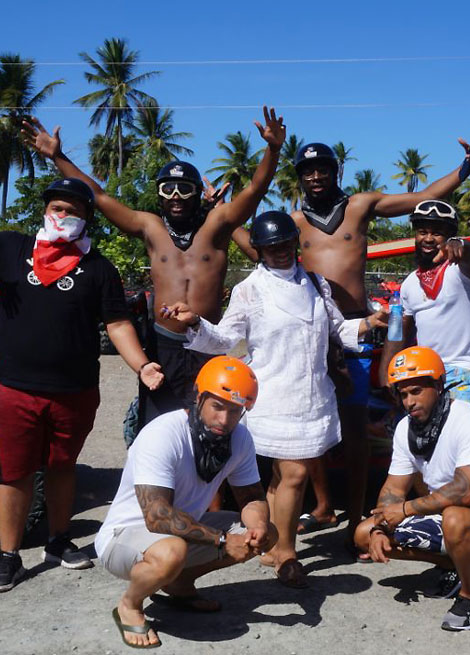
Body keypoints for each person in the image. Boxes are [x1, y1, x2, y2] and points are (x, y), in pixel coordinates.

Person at [236, 135, 470, 553]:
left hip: (357, 331)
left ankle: (355, 523)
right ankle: (314, 512)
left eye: (323, 168)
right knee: (304, 433)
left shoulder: (360, 205)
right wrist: (222, 216)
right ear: (299, 178)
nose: (316, 176)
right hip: (315, 334)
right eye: (308, 171)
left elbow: (421, 197)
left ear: (337, 171)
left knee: (354, 436)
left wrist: (465, 170)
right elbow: (254, 243)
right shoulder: (293, 224)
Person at [162, 211, 388, 587]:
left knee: (283, 476)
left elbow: (336, 328)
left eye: (285, 244)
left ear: (295, 243)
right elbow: (226, 340)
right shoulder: (250, 290)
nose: (279, 251)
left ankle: (268, 544)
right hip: (275, 398)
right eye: (270, 247)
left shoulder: (316, 283)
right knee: (295, 474)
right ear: (259, 250)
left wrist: (366, 324)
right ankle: (286, 552)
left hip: (312, 397)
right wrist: (195, 323)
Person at [22, 107, 285, 430]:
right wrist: (58, 156)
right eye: (167, 189)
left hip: (207, 342)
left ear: (196, 194)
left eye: (184, 189)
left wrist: (273, 150)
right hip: (164, 344)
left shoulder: (217, 225)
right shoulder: (151, 227)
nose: (176, 197)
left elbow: (255, 190)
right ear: (158, 195)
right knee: (158, 428)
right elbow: (99, 196)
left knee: (212, 428)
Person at [0, 178, 164, 593]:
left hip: (75, 390)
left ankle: (58, 541)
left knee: (62, 466)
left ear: (87, 219)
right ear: (44, 211)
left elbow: (118, 323)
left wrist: (142, 365)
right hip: (15, 386)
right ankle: (8, 555)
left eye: (73, 211)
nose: (63, 216)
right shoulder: (11, 249)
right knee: (14, 471)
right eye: (57, 208)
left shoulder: (99, 269)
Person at [95, 356, 276, 648]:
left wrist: (257, 528)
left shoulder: (240, 438)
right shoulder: (163, 433)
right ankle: (129, 605)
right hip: (123, 536)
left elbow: (252, 496)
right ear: (198, 396)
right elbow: (157, 516)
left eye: (235, 411)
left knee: (267, 533)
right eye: (217, 406)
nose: (225, 420)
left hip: (178, 532)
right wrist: (222, 540)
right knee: (172, 553)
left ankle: (178, 584)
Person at [354, 346, 470, 631]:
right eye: (403, 395)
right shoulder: (405, 429)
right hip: (446, 514)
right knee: (363, 534)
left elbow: (467, 491)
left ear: (439, 385)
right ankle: (452, 564)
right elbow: (393, 489)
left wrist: (405, 509)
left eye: (416, 391)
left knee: (455, 517)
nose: (409, 402)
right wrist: (380, 529)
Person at [379, 199, 470, 406]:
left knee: (461, 427)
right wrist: (386, 375)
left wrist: (461, 245)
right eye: (422, 232)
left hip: (463, 371)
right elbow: (396, 330)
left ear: (448, 237)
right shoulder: (409, 283)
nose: (428, 239)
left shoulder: (463, 271)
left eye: (437, 233)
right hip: (425, 373)